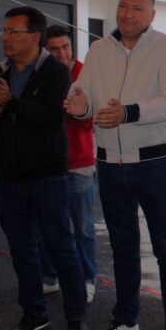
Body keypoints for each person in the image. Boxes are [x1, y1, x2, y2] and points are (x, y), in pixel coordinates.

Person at [64, 0, 166, 330]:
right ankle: (127, 322)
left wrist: (128, 112)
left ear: (152, 14)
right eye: (123, 6)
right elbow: (83, 94)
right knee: (122, 249)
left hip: (152, 163)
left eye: (137, 8)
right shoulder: (99, 49)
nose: (127, 14)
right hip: (108, 165)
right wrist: (80, 104)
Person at [0, 6, 88, 330]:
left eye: (13, 32)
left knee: (62, 249)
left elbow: (50, 119)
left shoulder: (55, 72)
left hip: (48, 179)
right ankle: (34, 314)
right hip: (9, 180)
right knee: (21, 251)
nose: (5, 38)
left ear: (34, 37)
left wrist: (11, 103)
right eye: (4, 31)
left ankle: (77, 319)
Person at [37, 25, 97, 303]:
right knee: (48, 225)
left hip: (79, 163)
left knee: (82, 228)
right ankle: (50, 276)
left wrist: (75, 111)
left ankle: (87, 279)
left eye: (66, 47)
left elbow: (90, 120)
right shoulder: (41, 74)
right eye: (54, 49)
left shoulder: (86, 74)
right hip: (48, 164)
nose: (62, 54)